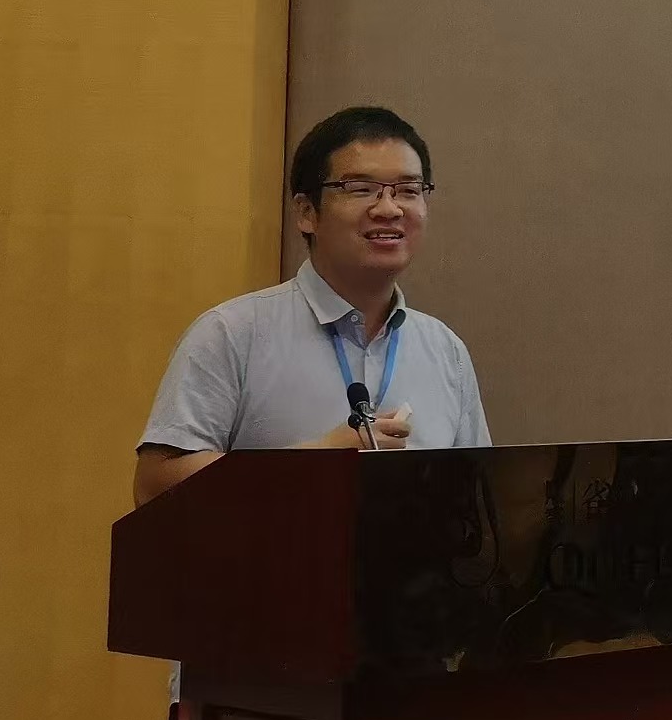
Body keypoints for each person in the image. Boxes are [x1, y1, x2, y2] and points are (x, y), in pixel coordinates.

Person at [133, 106, 491, 506]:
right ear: (307, 213)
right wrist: (314, 461)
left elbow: (479, 500)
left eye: (408, 190)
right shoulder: (232, 333)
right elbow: (154, 488)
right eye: (361, 189)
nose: (389, 209)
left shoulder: (446, 351)